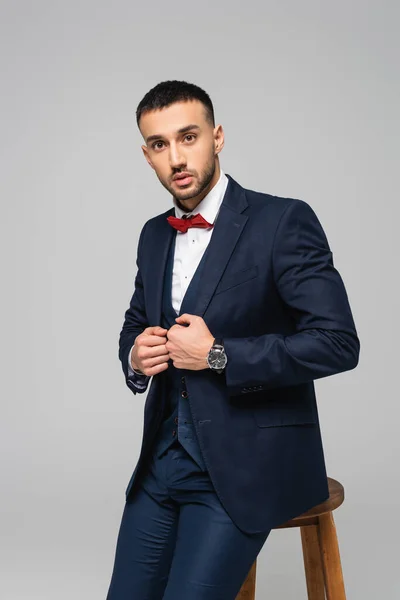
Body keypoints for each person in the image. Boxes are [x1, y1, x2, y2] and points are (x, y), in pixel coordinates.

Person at [106, 80, 360, 600]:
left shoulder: (282, 221)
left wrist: (218, 356)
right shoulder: (154, 234)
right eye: (159, 144)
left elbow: (338, 342)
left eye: (188, 136)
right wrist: (135, 355)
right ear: (146, 154)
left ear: (217, 136)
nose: (176, 157)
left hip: (246, 468)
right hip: (162, 462)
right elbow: (135, 322)